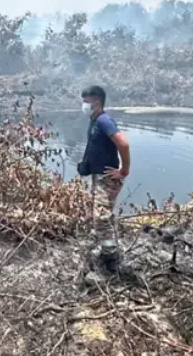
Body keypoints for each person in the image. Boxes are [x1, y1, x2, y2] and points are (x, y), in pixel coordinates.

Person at [80, 85, 130, 273]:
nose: (83, 105)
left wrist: (123, 171)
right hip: (99, 176)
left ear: (97, 102)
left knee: (100, 217)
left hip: (107, 178)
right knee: (104, 214)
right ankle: (109, 246)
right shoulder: (95, 120)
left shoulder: (104, 120)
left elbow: (123, 144)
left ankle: (110, 259)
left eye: (86, 101)